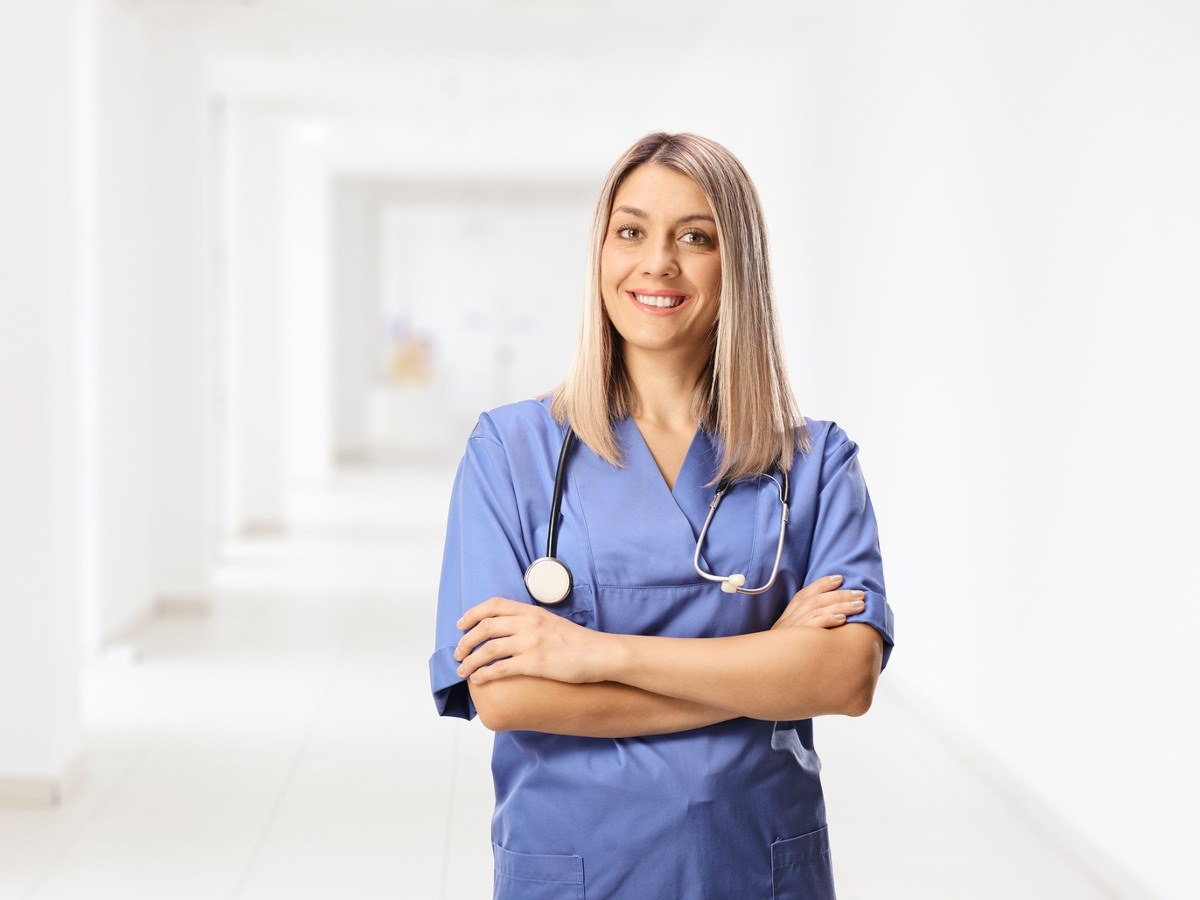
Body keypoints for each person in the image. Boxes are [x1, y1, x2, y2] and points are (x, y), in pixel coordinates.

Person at [428, 131, 895, 899]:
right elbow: (507, 696)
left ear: (735, 263)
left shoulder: (814, 463)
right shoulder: (509, 452)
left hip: (755, 865)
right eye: (632, 231)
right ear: (601, 254)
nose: (658, 263)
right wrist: (767, 662)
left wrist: (592, 654)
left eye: (696, 237)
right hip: (578, 866)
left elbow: (846, 676)